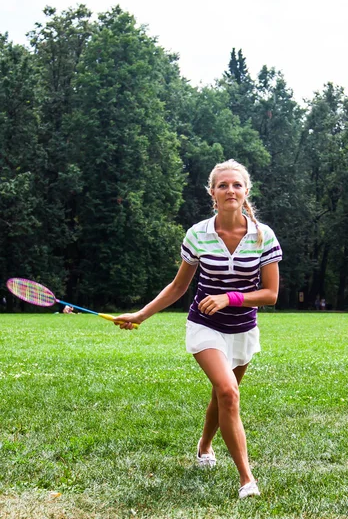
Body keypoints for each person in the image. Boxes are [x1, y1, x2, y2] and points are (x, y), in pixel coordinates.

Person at [114, 159, 282, 499]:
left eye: (236, 185)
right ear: (212, 193)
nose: (230, 190)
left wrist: (228, 298)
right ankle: (247, 479)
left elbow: (271, 294)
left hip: (243, 328)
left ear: (246, 191)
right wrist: (141, 315)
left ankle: (205, 445)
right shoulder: (198, 234)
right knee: (229, 391)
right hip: (204, 326)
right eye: (223, 185)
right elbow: (178, 288)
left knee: (222, 395)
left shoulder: (263, 236)